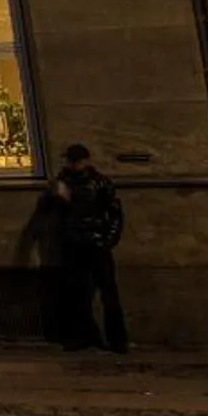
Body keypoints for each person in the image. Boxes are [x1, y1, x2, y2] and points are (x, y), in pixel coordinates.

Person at [48, 143, 128, 352]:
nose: (71, 165)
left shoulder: (99, 183)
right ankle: (84, 337)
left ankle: (116, 339)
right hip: (75, 243)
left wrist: (107, 240)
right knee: (78, 292)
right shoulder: (64, 182)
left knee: (107, 292)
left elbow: (115, 213)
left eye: (73, 161)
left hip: (94, 242)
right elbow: (58, 212)